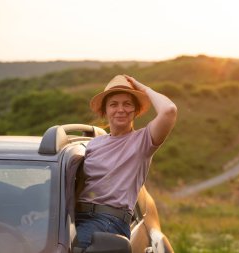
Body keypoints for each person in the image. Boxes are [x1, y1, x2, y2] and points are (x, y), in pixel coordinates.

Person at [75, 74, 177, 249]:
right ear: (105, 111)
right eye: (114, 104)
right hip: (77, 217)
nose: (120, 109)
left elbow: (169, 110)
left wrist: (143, 89)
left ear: (136, 110)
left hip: (109, 221)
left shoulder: (143, 141)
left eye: (127, 104)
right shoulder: (93, 144)